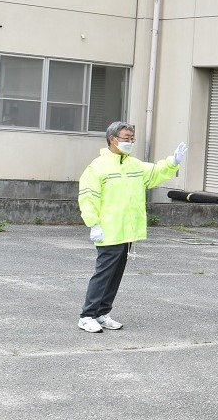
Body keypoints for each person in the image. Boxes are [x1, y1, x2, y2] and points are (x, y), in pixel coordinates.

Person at [77, 122, 187, 333]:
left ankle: (102, 313)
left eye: (132, 138)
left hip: (127, 230)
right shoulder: (98, 167)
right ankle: (87, 315)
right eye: (126, 137)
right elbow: (88, 197)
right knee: (103, 274)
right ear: (113, 139)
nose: (130, 142)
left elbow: (154, 173)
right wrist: (93, 224)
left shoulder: (134, 165)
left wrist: (172, 163)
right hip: (108, 230)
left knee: (115, 275)